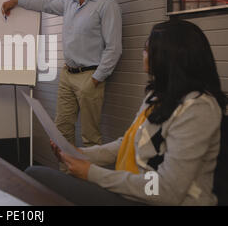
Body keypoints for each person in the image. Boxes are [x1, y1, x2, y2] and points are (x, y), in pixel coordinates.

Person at [25, 19, 227, 205]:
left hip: (155, 200)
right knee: (37, 176)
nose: (143, 54)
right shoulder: (157, 96)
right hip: (136, 192)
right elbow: (127, 144)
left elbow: (168, 189)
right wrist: (79, 154)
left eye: (147, 49)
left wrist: (92, 173)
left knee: (36, 175)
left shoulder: (199, 109)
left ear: (168, 58)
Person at [2, 0, 122, 148]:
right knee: (61, 131)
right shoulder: (69, 4)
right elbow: (44, 4)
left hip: (90, 78)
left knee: (90, 137)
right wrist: (17, 1)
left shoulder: (106, 6)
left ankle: (88, 178)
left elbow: (114, 48)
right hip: (67, 75)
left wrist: (95, 80)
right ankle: (66, 175)